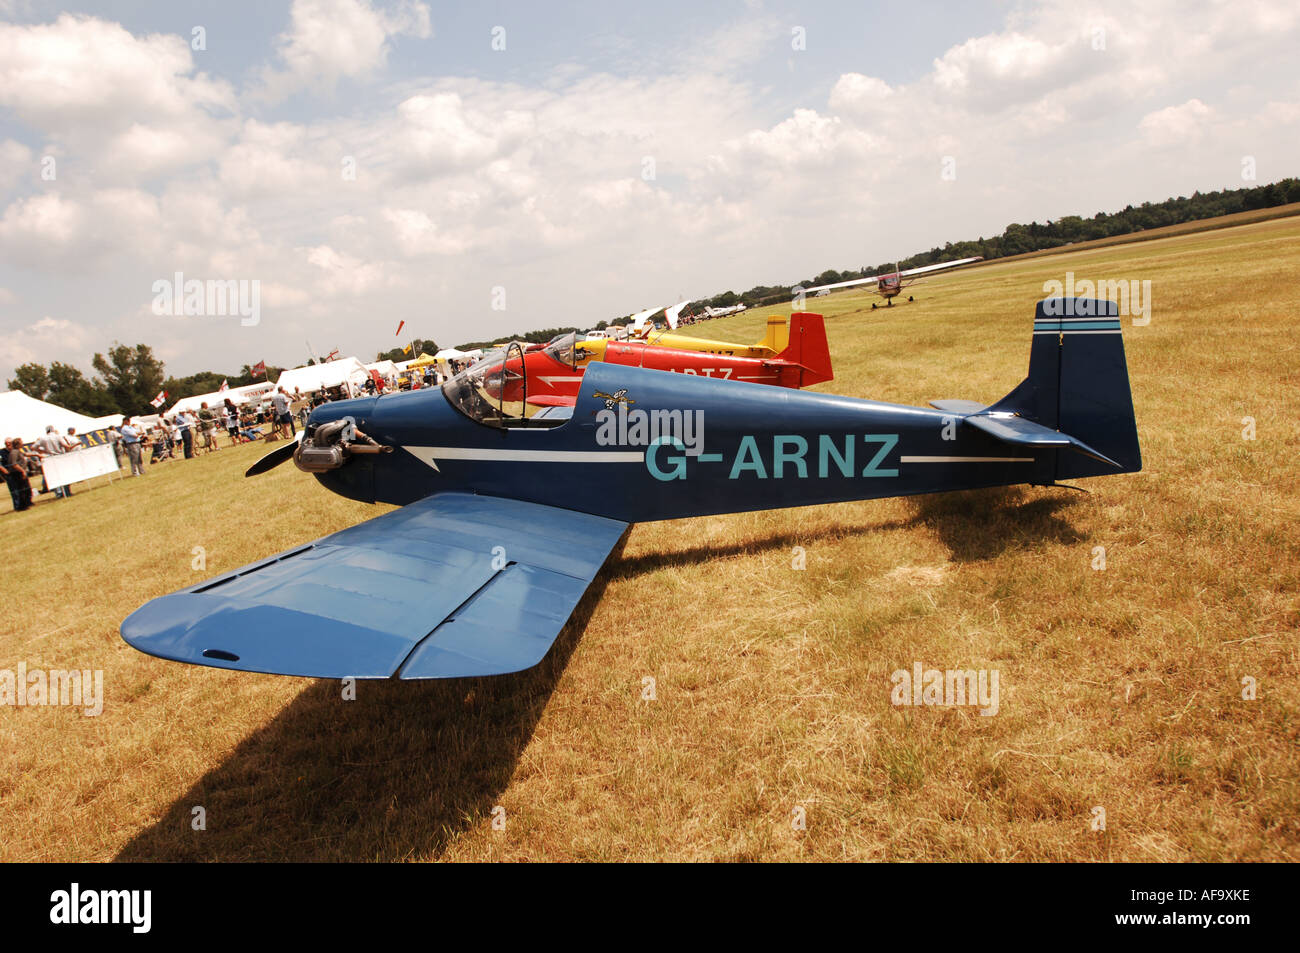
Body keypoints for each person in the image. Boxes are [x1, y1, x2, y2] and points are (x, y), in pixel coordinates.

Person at [37, 424, 72, 498]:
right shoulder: (57, 437)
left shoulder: (44, 439)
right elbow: (66, 446)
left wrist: (44, 451)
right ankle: (65, 492)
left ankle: (60, 492)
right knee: (62, 475)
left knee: (55, 477)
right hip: (58, 458)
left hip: (51, 459)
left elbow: (34, 447)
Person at [2, 438, 34, 510]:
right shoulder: (14, 452)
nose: (23, 443)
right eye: (21, 442)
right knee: (22, 490)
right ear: (18, 444)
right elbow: (14, 464)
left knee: (26, 489)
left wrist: (38, 455)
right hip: (17, 473)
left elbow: (26, 454)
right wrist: (23, 471)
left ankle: (27, 503)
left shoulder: (17, 451)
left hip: (20, 472)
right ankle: (22, 506)